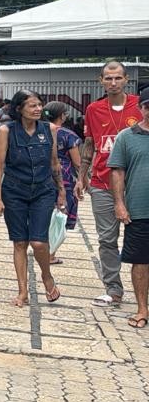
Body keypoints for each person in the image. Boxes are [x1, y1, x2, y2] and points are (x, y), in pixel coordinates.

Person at [79, 60, 143, 308]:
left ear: (126, 79)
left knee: (142, 237)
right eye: (108, 78)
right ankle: (113, 288)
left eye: (118, 78)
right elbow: (90, 143)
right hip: (102, 183)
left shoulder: (140, 106)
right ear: (101, 81)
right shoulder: (94, 110)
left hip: (137, 186)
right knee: (107, 239)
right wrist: (81, 175)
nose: (113, 82)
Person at [0, 90, 64, 308]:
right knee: (20, 241)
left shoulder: (49, 129)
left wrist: (61, 191)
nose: (38, 109)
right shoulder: (6, 130)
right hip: (14, 190)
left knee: (39, 241)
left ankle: (46, 275)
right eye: (32, 105)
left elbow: (54, 163)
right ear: (19, 109)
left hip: (43, 190)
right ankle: (23, 291)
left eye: (39, 105)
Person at [109, 95, 149, 328]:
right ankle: (142, 308)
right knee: (141, 261)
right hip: (140, 209)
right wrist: (119, 203)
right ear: (141, 108)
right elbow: (117, 172)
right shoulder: (126, 137)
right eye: (148, 106)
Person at [44, 101, 82, 264]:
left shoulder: (38, 130)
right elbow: (78, 162)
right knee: (59, 215)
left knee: (43, 213)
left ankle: (42, 247)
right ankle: (50, 254)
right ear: (62, 116)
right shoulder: (68, 135)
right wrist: (83, 178)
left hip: (41, 175)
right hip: (63, 177)